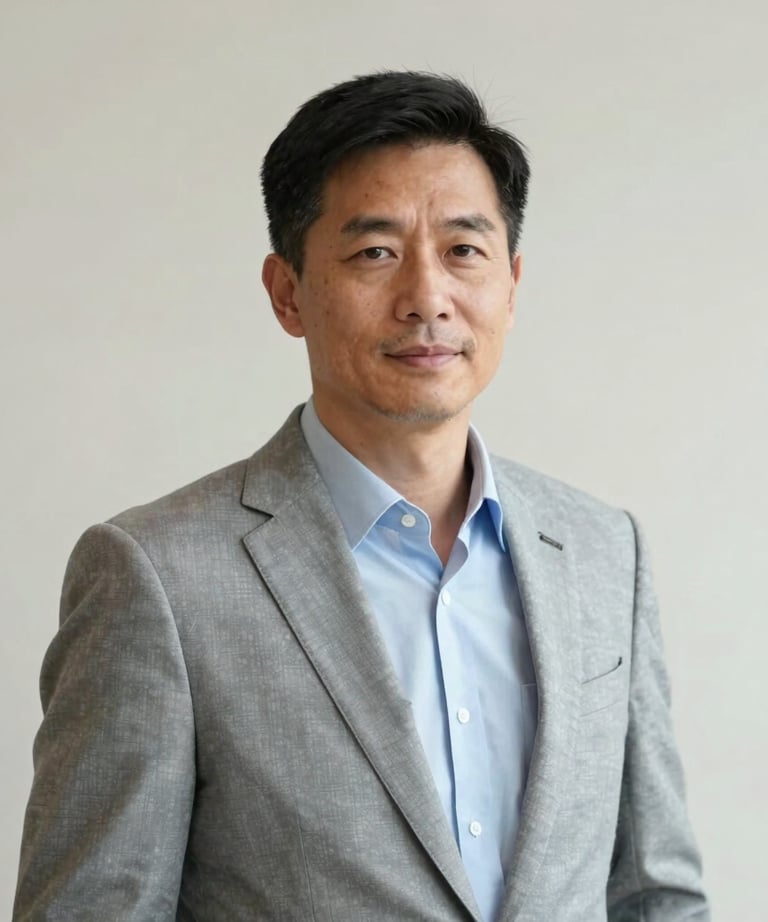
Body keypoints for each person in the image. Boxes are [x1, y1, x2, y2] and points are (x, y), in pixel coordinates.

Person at [14, 71, 709, 922]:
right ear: (287, 292)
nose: (427, 298)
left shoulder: (604, 551)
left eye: (464, 250)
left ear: (512, 284)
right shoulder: (158, 577)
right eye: (375, 252)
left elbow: (656, 895)